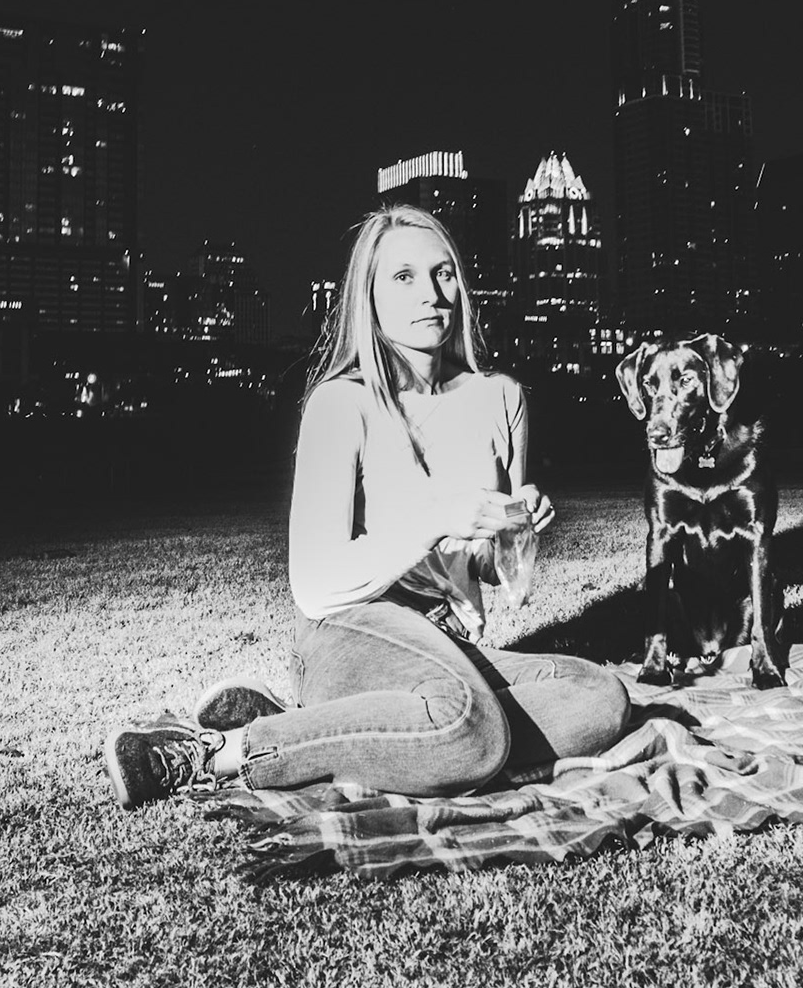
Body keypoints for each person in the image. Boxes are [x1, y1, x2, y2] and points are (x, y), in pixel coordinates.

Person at [104, 205, 630, 807]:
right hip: (348, 627)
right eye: (404, 277)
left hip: (442, 641)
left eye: (444, 273)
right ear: (370, 298)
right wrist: (440, 514)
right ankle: (213, 752)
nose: (431, 293)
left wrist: (518, 528)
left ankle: (337, 730)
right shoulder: (341, 404)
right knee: (470, 725)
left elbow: (493, 573)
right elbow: (316, 586)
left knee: (598, 697)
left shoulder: (500, 397)